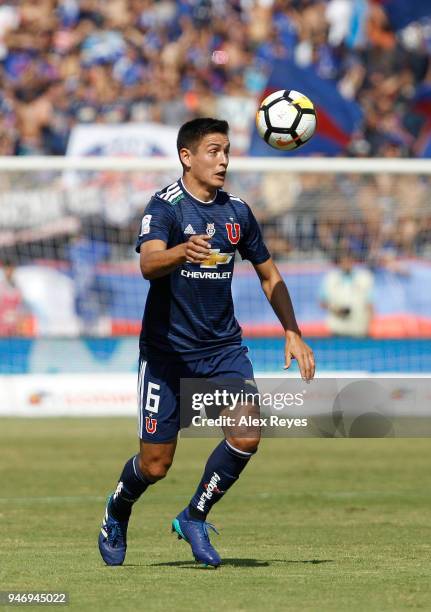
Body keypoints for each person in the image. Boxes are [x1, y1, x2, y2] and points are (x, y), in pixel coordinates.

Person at [98, 118, 315, 568]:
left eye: (227, 151)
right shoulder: (166, 207)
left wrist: (292, 331)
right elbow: (148, 263)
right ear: (187, 157)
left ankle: (194, 515)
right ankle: (117, 510)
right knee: (155, 465)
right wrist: (182, 251)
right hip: (166, 354)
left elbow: (269, 274)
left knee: (247, 435)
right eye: (214, 151)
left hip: (221, 351)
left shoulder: (237, 211)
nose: (223, 160)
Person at [320, 249, 374, 337]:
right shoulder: (330, 278)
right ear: (339, 262)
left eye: (349, 260)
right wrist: (335, 309)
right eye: (344, 261)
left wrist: (370, 325)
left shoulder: (364, 277)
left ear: (353, 261)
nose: (346, 263)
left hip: (358, 328)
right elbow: (322, 302)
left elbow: (370, 304)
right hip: (337, 327)